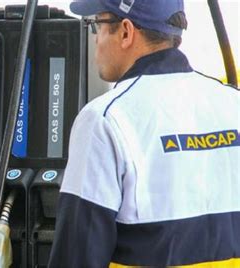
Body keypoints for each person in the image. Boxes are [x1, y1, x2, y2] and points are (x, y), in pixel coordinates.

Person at [48, 0, 240, 266]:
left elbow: (77, 257)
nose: (95, 40)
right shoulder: (233, 104)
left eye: (97, 25)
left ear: (126, 32)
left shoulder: (104, 120)